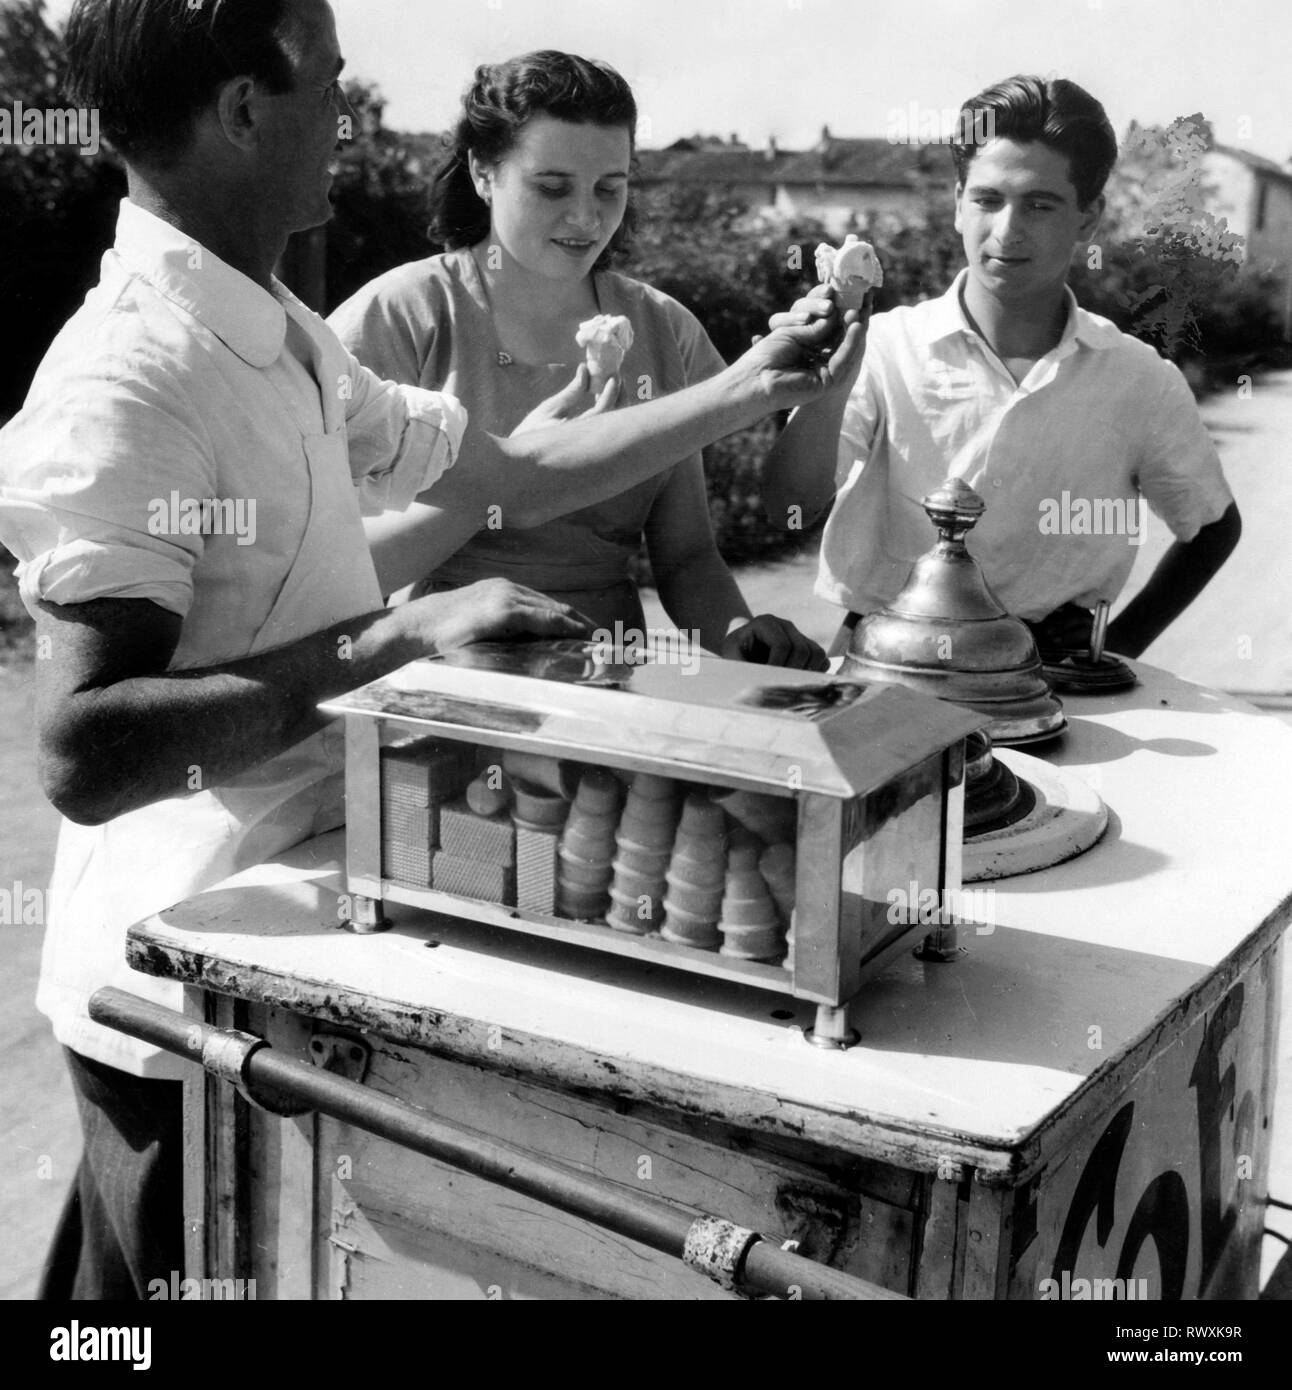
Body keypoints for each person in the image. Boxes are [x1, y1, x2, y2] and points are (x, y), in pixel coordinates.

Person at [0, 0, 861, 1298]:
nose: (350, 117)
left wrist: (751, 386)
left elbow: (504, 472)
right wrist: (396, 633)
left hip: (308, 940)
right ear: (245, 107)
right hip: (177, 988)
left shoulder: (281, 334)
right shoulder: (129, 374)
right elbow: (84, 750)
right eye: (331, 81)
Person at [329, 51, 825, 669]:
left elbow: (686, 555)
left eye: (609, 189)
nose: (587, 218)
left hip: (608, 686)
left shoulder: (662, 327)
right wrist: (512, 479)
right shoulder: (403, 313)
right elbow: (335, 568)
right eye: (552, 187)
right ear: (484, 172)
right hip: (435, 684)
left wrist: (736, 635)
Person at [762, 75, 1240, 659]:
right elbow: (785, 512)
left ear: (1088, 219)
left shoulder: (1138, 378)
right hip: (885, 663)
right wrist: (824, 386)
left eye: (1040, 205)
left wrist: (1117, 642)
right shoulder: (884, 347)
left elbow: (1213, 525)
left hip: (1053, 682)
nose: (1007, 231)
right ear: (957, 202)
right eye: (988, 199)